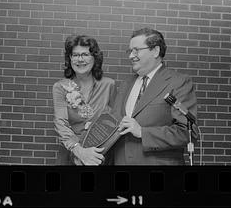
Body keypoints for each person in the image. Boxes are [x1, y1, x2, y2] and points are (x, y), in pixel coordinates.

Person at [112, 28, 199, 165]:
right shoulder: (125, 84)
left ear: (155, 51)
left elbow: (187, 133)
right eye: (130, 51)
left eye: (136, 50)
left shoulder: (178, 82)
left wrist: (142, 132)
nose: (131, 56)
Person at [52, 35, 116, 165]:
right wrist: (79, 151)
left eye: (85, 54)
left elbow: (114, 120)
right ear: (70, 58)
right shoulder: (60, 87)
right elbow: (61, 123)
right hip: (71, 152)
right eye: (75, 55)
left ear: (95, 57)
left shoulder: (109, 85)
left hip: (99, 153)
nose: (80, 59)